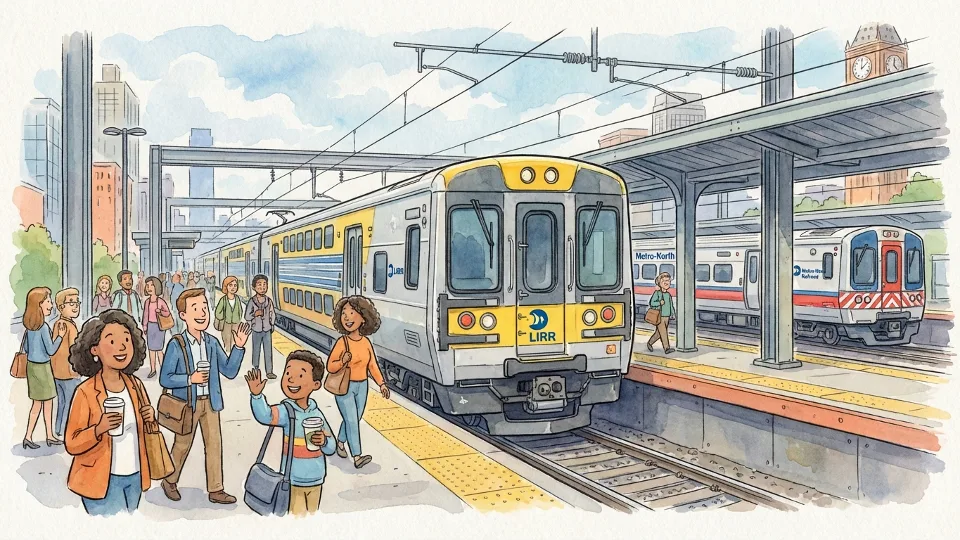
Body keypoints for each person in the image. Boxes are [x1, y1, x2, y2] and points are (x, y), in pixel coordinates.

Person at [159, 288, 250, 505]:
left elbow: (229, 371)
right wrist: (190, 379)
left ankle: (216, 489)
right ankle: (169, 481)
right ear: (183, 315)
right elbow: (165, 378)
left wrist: (238, 347)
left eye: (204, 308)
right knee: (182, 445)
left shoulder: (211, 342)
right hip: (187, 404)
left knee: (214, 445)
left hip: (210, 402)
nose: (202, 313)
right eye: (195, 308)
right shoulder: (176, 344)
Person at [65, 309, 155, 516]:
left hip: (135, 475)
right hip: (99, 480)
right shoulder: (85, 392)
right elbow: (71, 442)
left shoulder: (135, 385)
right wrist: (99, 429)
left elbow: (147, 430)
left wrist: (150, 418)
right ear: (94, 349)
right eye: (112, 341)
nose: (122, 347)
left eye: (127, 340)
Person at [246, 351, 336, 516]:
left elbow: (331, 447)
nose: (291, 379)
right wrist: (257, 396)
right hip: (293, 480)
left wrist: (324, 441)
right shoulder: (286, 411)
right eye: (288, 373)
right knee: (298, 519)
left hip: (317, 478)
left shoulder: (317, 413)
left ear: (316, 384)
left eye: (300, 376)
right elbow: (265, 415)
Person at [327, 295, 389, 469]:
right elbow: (330, 366)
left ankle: (340, 442)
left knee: (354, 418)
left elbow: (372, 365)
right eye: (344, 313)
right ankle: (357, 456)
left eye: (352, 312)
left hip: (362, 386)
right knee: (352, 421)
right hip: (345, 387)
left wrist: (382, 384)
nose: (347, 317)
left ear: (363, 318)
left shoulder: (366, 343)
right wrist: (342, 361)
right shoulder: (342, 342)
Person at [21, 287, 63, 449]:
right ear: (39, 305)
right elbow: (51, 350)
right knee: (47, 403)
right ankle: (49, 435)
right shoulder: (44, 327)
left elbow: (26, 348)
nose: (51, 305)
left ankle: (29, 436)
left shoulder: (30, 328)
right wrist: (59, 337)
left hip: (32, 367)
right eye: (48, 302)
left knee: (37, 404)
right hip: (43, 368)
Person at [51, 288, 82, 440]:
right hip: (70, 372)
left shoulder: (58, 324)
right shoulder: (69, 326)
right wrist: (77, 368)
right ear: (61, 307)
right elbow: (73, 349)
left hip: (57, 372)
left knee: (62, 402)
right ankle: (65, 431)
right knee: (70, 403)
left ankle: (59, 429)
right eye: (71, 303)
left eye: (77, 302)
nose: (75, 306)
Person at [244, 275, 276, 378]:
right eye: (259, 285)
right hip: (256, 329)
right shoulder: (252, 301)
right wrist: (255, 314)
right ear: (254, 287)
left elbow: (272, 313)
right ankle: (256, 369)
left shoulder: (269, 301)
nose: (262, 287)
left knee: (268, 351)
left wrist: (272, 323)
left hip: (267, 329)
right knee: (256, 350)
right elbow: (247, 316)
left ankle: (269, 371)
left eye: (264, 284)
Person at [142, 276, 172, 378]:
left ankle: (164, 369)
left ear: (157, 286)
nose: (149, 288)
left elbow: (167, 313)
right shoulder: (147, 302)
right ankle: (153, 369)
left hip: (159, 327)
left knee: (159, 349)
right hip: (150, 326)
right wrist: (145, 326)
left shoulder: (161, 301)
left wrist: (160, 311)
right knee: (151, 349)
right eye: (147, 286)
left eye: (152, 285)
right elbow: (145, 315)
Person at [646, 272, 675, 354]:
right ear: (659, 283)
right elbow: (652, 303)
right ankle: (667, 348)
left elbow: (671, 305)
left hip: (667, 316)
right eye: (664, 281)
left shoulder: (668, 295)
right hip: (660, 316)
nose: (666, 282)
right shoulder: (657, 293)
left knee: (658, 333)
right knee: (663, 333)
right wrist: (659, 303)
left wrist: (672, 313)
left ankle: (649, 343)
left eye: (668, 281)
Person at [215, 276, 244, 352]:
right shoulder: (223, 300)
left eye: (235, 285)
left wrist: (238, 318)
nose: (233, 287)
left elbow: (240, 310)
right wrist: (224, 317)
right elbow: (217, 312)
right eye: (230, 285)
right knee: (227, 341)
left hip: (236, 323)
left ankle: (234, 354)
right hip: (226, 324)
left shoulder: (237, 299)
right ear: (226, 287)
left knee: (235, 341)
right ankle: (228, 354)